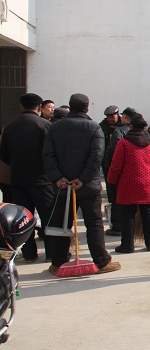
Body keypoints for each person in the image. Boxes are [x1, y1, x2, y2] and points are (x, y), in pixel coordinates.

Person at [42, 93, 120, 275]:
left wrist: (58, 178)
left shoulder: (55, 127)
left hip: (62, 186)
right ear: (86, 108)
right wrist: (83, 179)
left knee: (63, 225)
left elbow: (47, 155)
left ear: (70, 107)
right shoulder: (94, 128)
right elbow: (96, 157)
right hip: (88, 186)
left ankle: (58, 262)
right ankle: (101, 261)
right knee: (94, 224)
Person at [0, 93, 54, 262]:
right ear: (39, 107)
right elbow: (51, 153)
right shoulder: (45, 125)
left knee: (23, 218)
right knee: (48, 217)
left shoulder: (9, 127)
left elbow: (4, 155)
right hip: (42, 180)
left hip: (18, 179)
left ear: (21, 107)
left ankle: (29, 254)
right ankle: (52, 253)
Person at [106, 113, 150, 253]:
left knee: (128, 214)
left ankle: (127, 245)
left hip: (128, 183)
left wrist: (111, 181)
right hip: (147, 183)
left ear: (131, 126)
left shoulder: (123, 143)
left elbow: (116, 165)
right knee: (147, 212)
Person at [103, 106, 137, 236]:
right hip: (136, 172)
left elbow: (112, 154)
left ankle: (117, 227)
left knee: (117, 198)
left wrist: (109, 169)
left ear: (124, 117)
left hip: (119, 171)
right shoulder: (142, 132)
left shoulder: (119, 132)